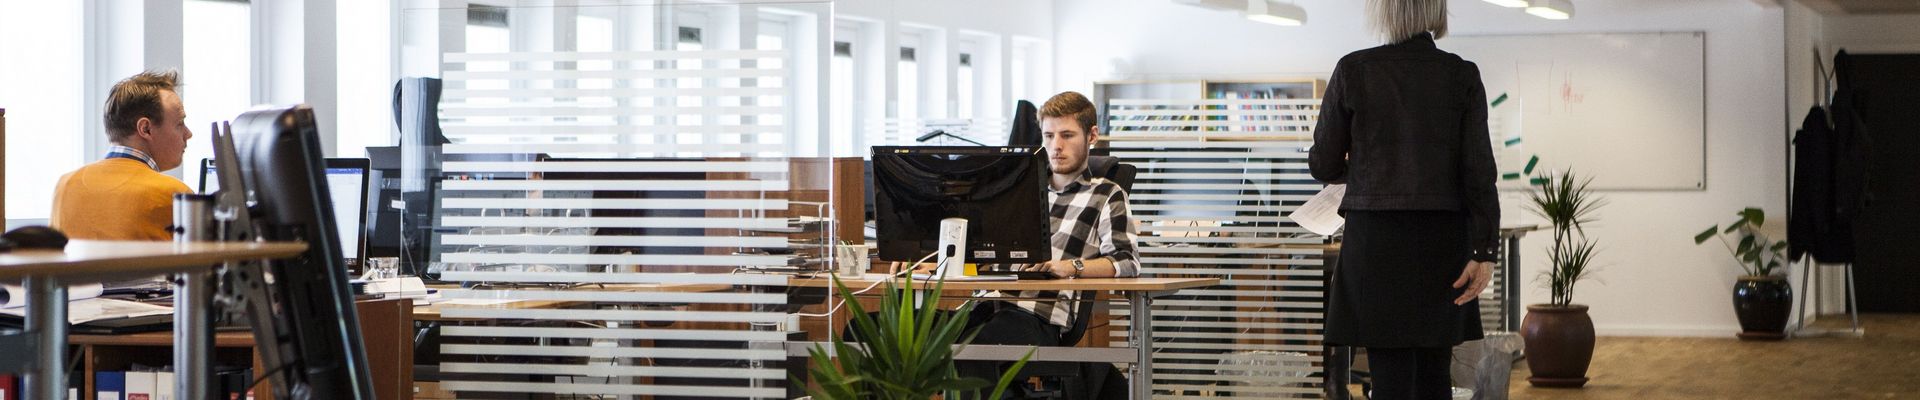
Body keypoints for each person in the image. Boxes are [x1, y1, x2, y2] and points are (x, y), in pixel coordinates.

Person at [1308, 0, 1500, 399]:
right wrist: (1485, 250)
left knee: (1389, 373)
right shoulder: (1461, 74)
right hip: (1443, 240)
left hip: (1375, 242)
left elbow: (1323, 163)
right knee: (1434, 372)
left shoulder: (1354, 69)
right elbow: (1478, 171)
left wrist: (1361, 171)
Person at [52, 70, 195, 241]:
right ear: (146, 129)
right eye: (180, 123)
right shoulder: (176, 196)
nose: (188, 133)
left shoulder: (65, 185)